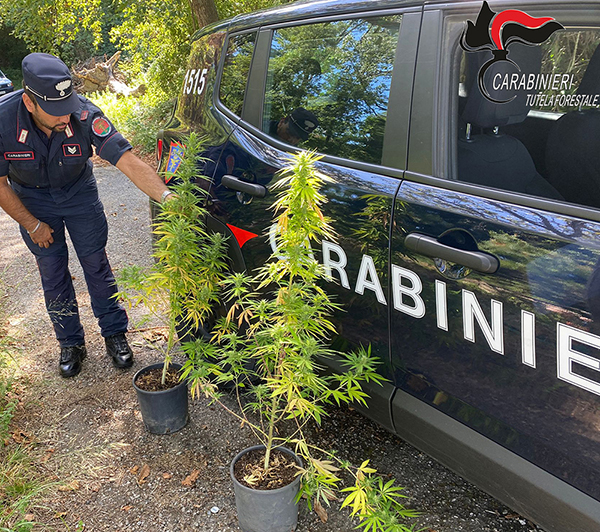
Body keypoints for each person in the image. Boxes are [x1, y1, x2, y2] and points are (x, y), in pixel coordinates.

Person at [0, 53, 175, 378]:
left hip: (79, 193)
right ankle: (70, 343)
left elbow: (127, 161)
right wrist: (31, 223)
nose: (64, 118)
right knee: (52, 273)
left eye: (66, 108)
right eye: (54, 112)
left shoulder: (83, 113)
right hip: (32, 199)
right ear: (29, 102)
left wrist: (166, 196)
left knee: (96, 265)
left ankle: (114, 334)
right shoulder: (3, 120)